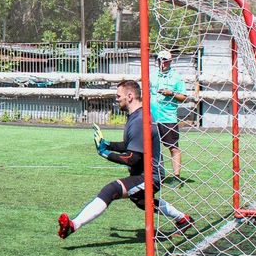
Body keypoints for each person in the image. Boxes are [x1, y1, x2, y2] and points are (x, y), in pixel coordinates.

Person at [58, 80, 192, 239]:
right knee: (141, 201)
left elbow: (132, 158)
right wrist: (108, 144)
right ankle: (183, 219)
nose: (116, 99)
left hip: (150, 176)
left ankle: (73, 225)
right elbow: (130, 145)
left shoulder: (140, 121)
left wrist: (105, 153)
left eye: (118, 96)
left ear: (129, 96)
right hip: (143, 173)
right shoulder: (135, 116)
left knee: (111, 190)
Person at [151, 49, 188, 185]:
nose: (162, 63)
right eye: (160, 60)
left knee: (173, 147)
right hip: (152, 118)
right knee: (151, 147)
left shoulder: (177, 77)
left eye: (165, 61)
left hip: (168, 118)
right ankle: (154, 174)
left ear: (170, 61)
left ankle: (176, 176)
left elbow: (183, 97)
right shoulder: (152, 76)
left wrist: (171, 93)